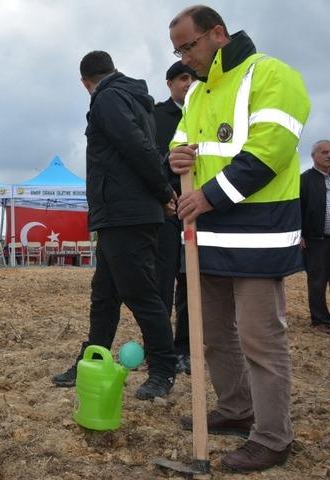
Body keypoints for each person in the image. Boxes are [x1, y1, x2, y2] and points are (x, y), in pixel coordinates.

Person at [168, 5, 310, 472]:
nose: (184, 58)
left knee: (260, 339)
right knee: (211, 336)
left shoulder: (271, 74)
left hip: (259, 234)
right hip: (206, 235)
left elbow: (269, 152)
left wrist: (207, 197)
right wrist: (176, 160)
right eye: (177, 51)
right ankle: (235, 408)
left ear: (218, 34)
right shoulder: (195, 94)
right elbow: (181, 143)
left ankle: (272, 437)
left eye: (189, 46)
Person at [50, 51, 177, 400]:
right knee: (104, 295)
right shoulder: (135, 98)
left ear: (84, 82)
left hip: (127, 213)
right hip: (119, 213)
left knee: (140, 293)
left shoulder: (106, 99)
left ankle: (163, 369)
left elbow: (138, 147)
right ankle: (93, 359)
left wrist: (163, 191)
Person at [153, 61, 196, 375]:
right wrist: (167, 196)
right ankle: (160, 348)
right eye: (183, 78)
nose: (189, 83)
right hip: (168, 213)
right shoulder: (155, 116)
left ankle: (186, 348)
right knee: (162, 282)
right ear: (169, 83)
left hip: (202, 212)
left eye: (193, 78)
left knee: (191, 284)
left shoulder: (207, 112)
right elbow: (151, 162)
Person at [300, 140, 330, 331]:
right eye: (324, 152)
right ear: (313, 156)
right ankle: (320, 321)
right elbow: (297, 209)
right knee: (318, 282)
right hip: (317, 241)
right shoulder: (305, 180)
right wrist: (300, 234)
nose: (329, 155)